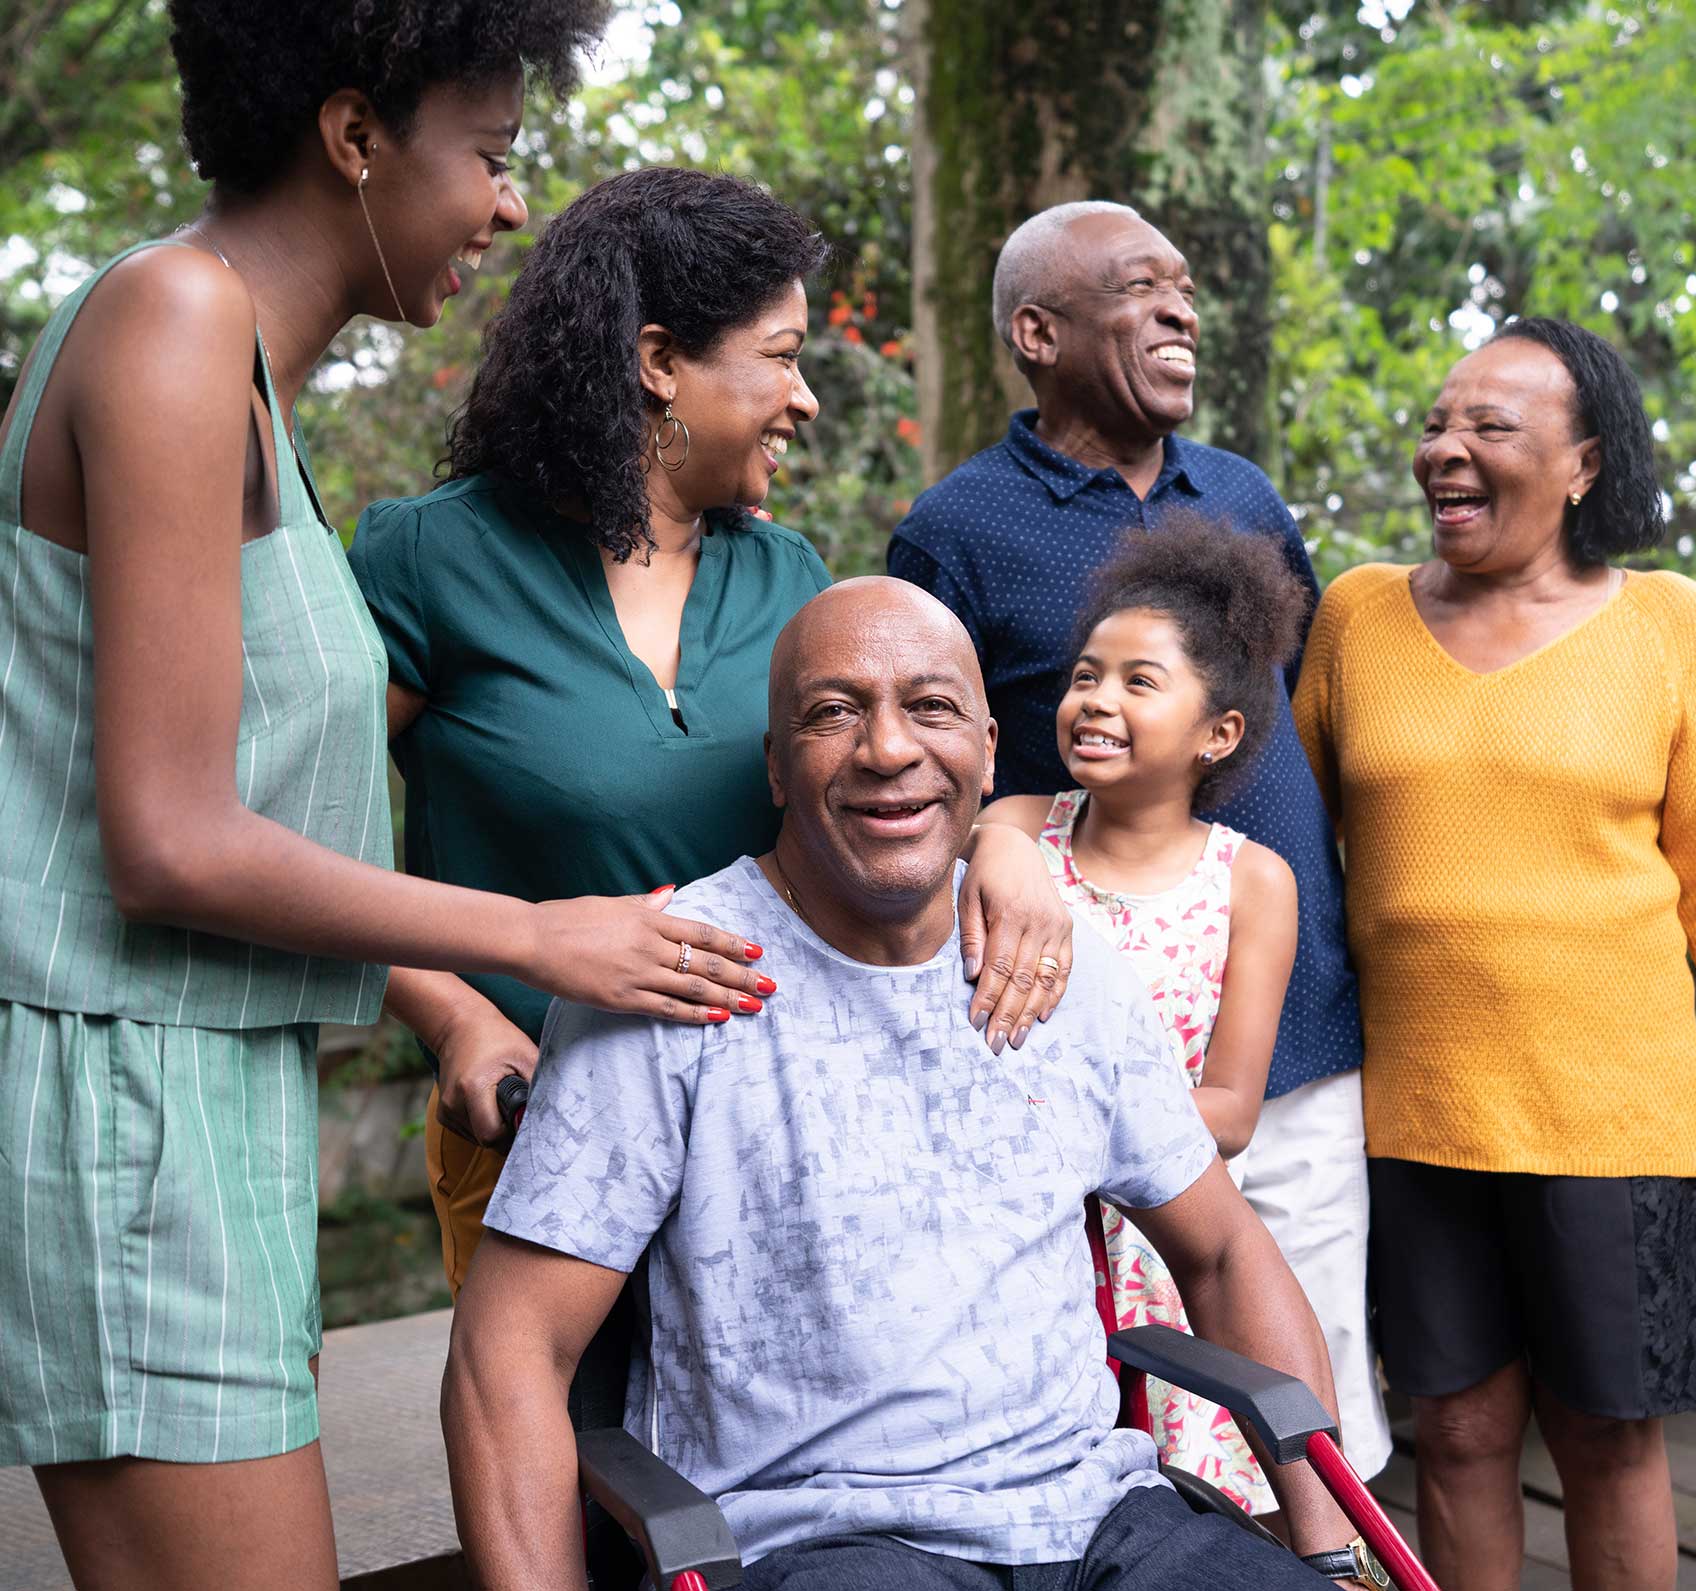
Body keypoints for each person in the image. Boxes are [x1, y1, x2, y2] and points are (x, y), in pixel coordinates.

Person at [0, 3, 735, 1587]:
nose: (508, 205)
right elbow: (169, 837)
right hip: (137, 1098)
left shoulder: (246, 378)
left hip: (202, 1088)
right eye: (488, 153)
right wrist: (537, 938)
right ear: (353, 137)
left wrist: (451, 1009)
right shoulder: (175, 322)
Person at [442, 577, 1381, 1591]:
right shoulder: (669, 979)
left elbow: (1229, 1251)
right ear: (774, 764)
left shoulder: (1067, 966)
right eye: (833, 712)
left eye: (929, 706)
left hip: (1095, 1515)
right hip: (821, 1540)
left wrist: (1329, 1547)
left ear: (986, 747)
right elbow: (508, 1353)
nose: (888, 748)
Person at [346, 169, 1074, 1407]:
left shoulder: (790, 576)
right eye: (780, 357)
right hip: (537, 1126)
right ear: (657, 363)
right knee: (563, 1464)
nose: (803, 396)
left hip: (777, 1132)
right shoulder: (431, 558)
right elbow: (299, 839)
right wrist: (452, 1012)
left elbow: (891, 794)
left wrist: (1002, 843)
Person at [889, 201, 1389, 1487]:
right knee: (1132, 1431)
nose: (1182, 308)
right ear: (1038, 332)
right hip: (1081, 1094)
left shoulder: (1244, 493)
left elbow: (1310, 718)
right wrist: (992, 842)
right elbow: (928, 766)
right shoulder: (956, 531)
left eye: (1184, 286)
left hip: (1297, 1049)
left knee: (1313, 1416)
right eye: (1139, 289)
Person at [1294, 316, 1696, 1591]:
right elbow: (1275, 855)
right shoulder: (1356, 617)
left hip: (1617, 1123)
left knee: (1609, 1438)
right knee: (1456, 1432)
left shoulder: (1668, 624)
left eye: (1488, 427)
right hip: (1417, 1117)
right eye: (1439, 425)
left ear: (1584, 463)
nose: (1447, 449)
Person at [982, 521, 1307, 1513]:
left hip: (1170, 1247)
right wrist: (1003, 845)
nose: (1095, 700)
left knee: (1186, 1514)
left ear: (1217, 734)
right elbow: (987, 837)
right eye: (1086, 675)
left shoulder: (1250, 881)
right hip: (1018, 1234)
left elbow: (1234, 1109)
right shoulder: (1013, 829)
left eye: (1138, 681)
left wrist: (1074, 1112)